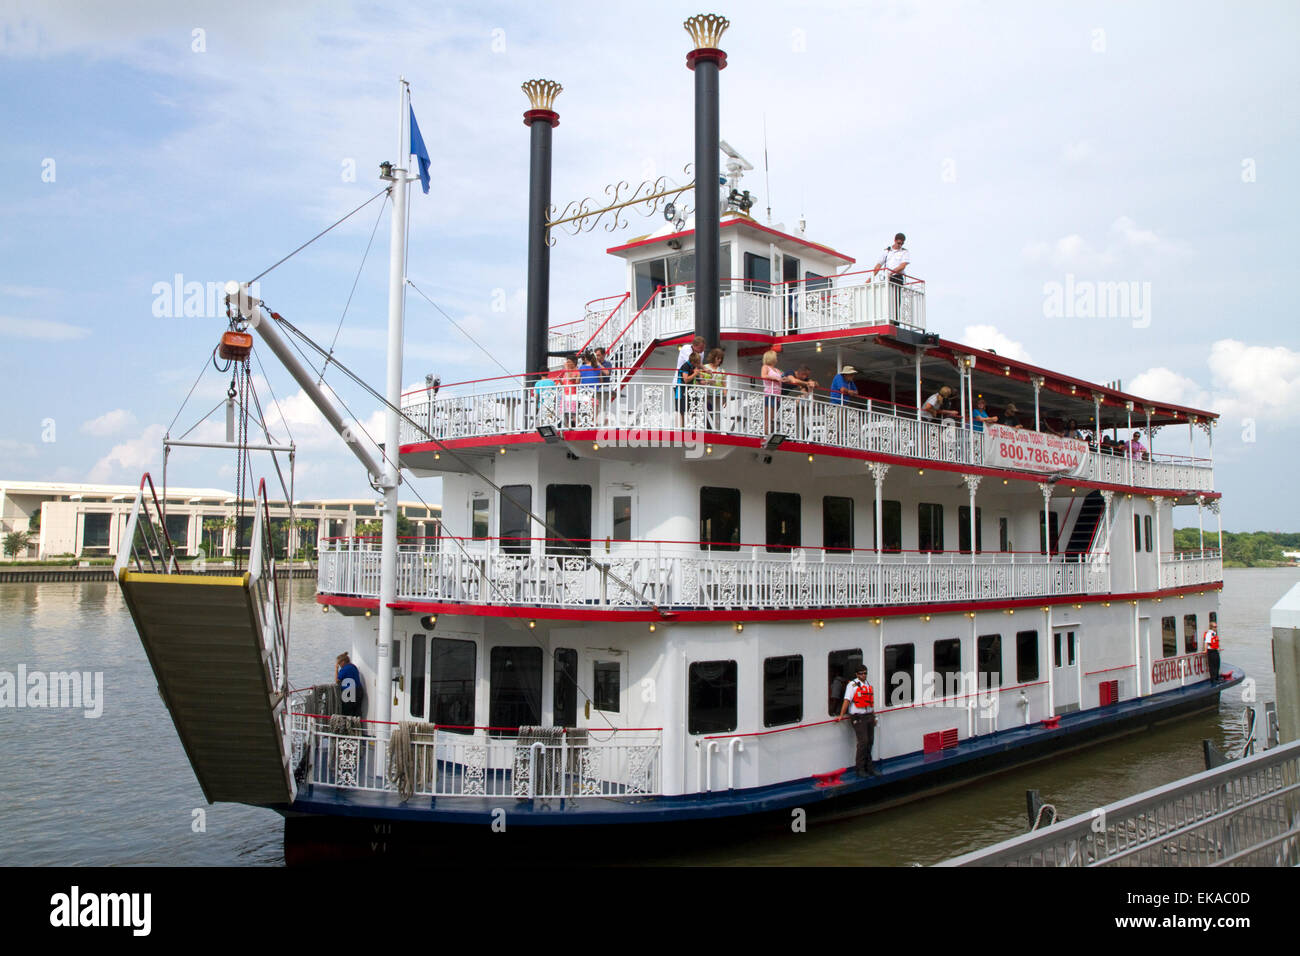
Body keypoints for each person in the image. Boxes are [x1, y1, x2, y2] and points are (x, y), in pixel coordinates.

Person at [837, 664, 879, 776]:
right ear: (856, 674)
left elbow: (870, 702)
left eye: (865, 673)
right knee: (863, 742)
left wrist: (874, 716)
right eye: (861, 673)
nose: (864, 675)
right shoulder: (852, 685)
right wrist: (841, 715)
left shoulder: (867, 684)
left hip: (869, 716)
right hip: (858, 717)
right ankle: (860, 769)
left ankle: (869, 767)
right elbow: (847, 700)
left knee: (870, 742)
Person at [872, 232, 911, 321]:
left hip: (896, 277)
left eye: (902, 243)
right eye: (898, 243)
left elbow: (903, 265)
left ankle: (895, 321)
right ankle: (885, 319)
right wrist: (870, 278)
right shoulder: (887, 251)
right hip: (887, 278)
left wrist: (891, 273)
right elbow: (878, 265)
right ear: (894, 240)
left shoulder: (904, 252)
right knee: (885, 299)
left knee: (896, 300)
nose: (900, 245)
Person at [336, 652, 364, 718]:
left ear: (343, 662)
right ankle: (357, 727)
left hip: (349, 692)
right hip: (358, 691)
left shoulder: (345, 669)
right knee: (356, 712)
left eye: (339, 663)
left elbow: (337, 680)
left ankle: (348, 727)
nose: (339, 665)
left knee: (346, 713)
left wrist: (336, 669)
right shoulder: (353, 667)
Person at [761, 349, 783, 431]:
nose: (777, 358)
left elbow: (782, 377)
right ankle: (766, 433)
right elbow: (763, 376)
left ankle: (770, 431)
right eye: (776, 356)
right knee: (769, 416)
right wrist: (775, 378)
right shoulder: (765, 367)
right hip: (770, 394)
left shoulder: (777, 370)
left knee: (774, 416)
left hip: (777, 395)